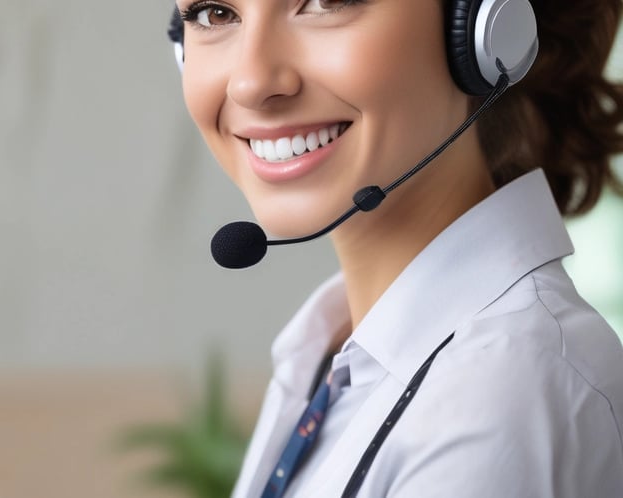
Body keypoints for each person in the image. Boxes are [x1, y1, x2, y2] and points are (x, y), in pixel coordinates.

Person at [168, 0, 623, 496]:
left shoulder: (500, 393)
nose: (251, 82)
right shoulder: (334, 351)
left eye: (325, 2)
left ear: (482, 33)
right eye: (214, 14)